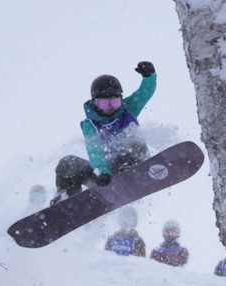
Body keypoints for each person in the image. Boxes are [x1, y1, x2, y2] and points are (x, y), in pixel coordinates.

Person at [52, 61, 157, 203]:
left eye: (114, 103)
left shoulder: (128, 109)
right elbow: (94, 150)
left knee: (130, 141)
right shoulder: (91, 125)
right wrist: (103, 171)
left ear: (120, 100)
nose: (110, 108)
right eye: (104, 103)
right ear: (95, 103)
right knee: (68, 163)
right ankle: (67, 199)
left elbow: (144, 94)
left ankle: (128, 174)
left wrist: (149, 76)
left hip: (135, 167)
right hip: (106, 178)